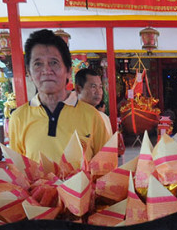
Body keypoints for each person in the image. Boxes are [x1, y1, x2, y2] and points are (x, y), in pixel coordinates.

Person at [6, 29, 110, 163]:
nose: (46, 71)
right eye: (38, 64)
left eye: (54, 62)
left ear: (68, 71)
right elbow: (17, 172)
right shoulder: (18, 118)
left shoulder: (93, 117)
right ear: (29, 73)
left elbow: (106, 172)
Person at [74, 67, 113, 136]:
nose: (98, 92)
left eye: (100, 87)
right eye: (93, 87)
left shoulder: (103, 118)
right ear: (78, 89)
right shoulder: (70, 116)